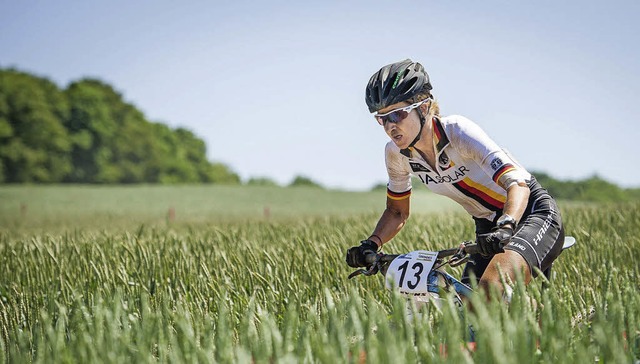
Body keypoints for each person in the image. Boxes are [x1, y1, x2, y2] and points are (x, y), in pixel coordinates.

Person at [345, 59, 565, 298]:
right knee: (467, 306)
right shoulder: (396, 154)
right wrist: (371, 244)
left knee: (490, 291)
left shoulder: (457, 132)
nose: (389, 126)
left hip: (531, 212)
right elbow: (397, 212)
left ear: (424, 107)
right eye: (382, 118)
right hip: (487, 226)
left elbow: (518, 184)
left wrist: (507, 224)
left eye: (397, 114)